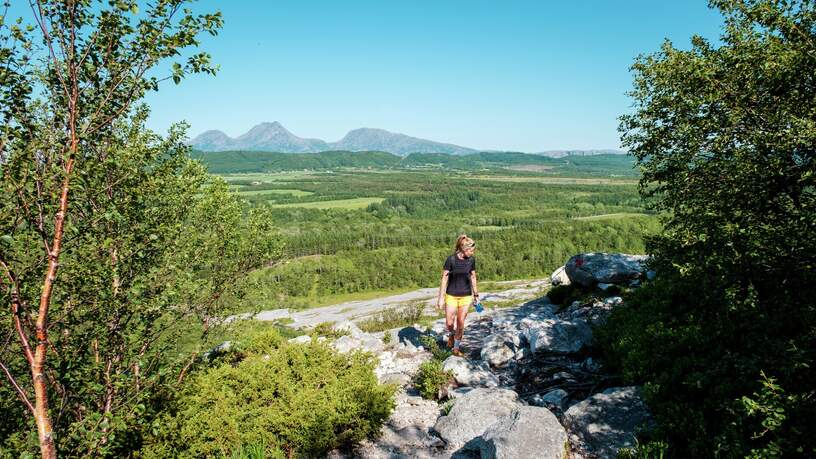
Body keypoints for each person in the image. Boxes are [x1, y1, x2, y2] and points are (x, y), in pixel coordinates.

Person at [437, 234, 479, 357]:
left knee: (461, 322)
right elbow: (444, 279)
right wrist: (440, 298)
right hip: (451, 295)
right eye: (471, 250)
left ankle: (455, 349)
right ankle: (451, 334)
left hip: (466, 296)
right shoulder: (451, 260)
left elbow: (473, 276)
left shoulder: (471, 260)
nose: (472, 252)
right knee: (449, 323)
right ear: (464, 249)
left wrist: (476, 295)